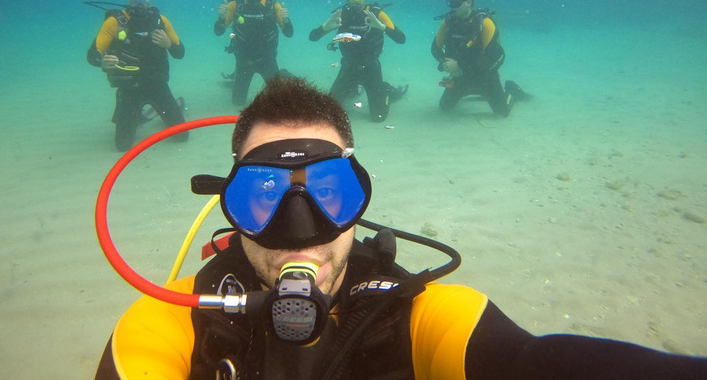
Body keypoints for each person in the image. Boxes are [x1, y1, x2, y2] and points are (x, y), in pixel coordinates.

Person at [94, 76, 706, 380]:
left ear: (359, 199)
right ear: (229, 206)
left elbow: (530, 363)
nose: (301, 231)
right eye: (263, 198)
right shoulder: (170, 323)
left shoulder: (418, 314)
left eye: (329, 194)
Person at [91, 0, 188, 151]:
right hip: (129, 90)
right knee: (122, 146)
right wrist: (101, 61)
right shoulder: (116, 22)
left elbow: (180, 53)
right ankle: (140, 114)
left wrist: (169, 44)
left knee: (182, 137)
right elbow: (92, 55)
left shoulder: (161, 21)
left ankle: (160, 110)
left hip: (158, 86)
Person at [309, 0, 408, 122]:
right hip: (348, 68)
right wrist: (325, 27)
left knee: (378, 117)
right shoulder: (341, 15)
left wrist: (382, 27)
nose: (356, 0)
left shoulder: (377, 14)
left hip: (371, 69)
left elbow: (401, 39)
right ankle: (352, 87)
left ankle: (385, 90)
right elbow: (313, 37)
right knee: (327, 113)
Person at [432, 0, 530, 117]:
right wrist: (445, 63)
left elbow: (496, 57)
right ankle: (472, 91)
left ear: (469, 3)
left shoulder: (485, 24)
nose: (453, 5)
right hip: (460, 76)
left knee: (502, 112)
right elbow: (435, 49)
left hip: (485, 77)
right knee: (444, 106)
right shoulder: (448, 22)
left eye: (457, 1)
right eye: (451, 1)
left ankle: (512, 90)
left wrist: (459, 65)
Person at [214, 0, 294, 106]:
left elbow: (288, 33)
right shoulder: (235, 5)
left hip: (267, 60)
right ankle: (235, 80)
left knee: (277, 102)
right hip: (243, 61)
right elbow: (218, 31)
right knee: (237, 103)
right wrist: (221, 18)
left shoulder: (272, 4)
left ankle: (282, 73)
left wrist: (286, 20)